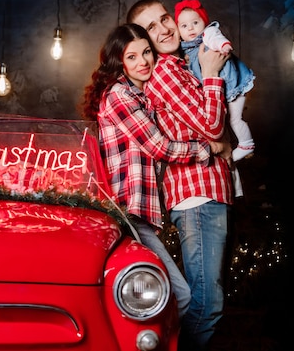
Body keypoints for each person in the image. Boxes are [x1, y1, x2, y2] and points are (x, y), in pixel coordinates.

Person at [80, 23, 225, 321]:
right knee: (179, 296)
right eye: (131, 57)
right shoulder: (119, 95)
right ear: (118, 61)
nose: (143, 62)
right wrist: (208, 148)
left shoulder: (142, 97)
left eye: (146, 52)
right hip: (127, 213)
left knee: (146, 299)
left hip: (140, 215)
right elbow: (159, 147)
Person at [127, 0, 233, 351]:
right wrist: (214, 73)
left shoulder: (180, 65)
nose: (165, 29)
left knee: (205, 299)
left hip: (204, 191)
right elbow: (212, 126)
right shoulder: (166, 72)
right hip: (197, 193)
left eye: (164, 19)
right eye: (151, 28)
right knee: (206, 304)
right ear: (143, 42)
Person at [174, 0, 256, 161]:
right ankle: (237, 143)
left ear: (204, 22)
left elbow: (217, 38)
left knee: (234, 119)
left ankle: (247, 144)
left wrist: (223, 45)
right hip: (219, 92)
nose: (190, 28)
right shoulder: (185, 49)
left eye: (195, 23)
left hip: (234, 87)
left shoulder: (208, 35)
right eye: (184, 26)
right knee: (225, 121)